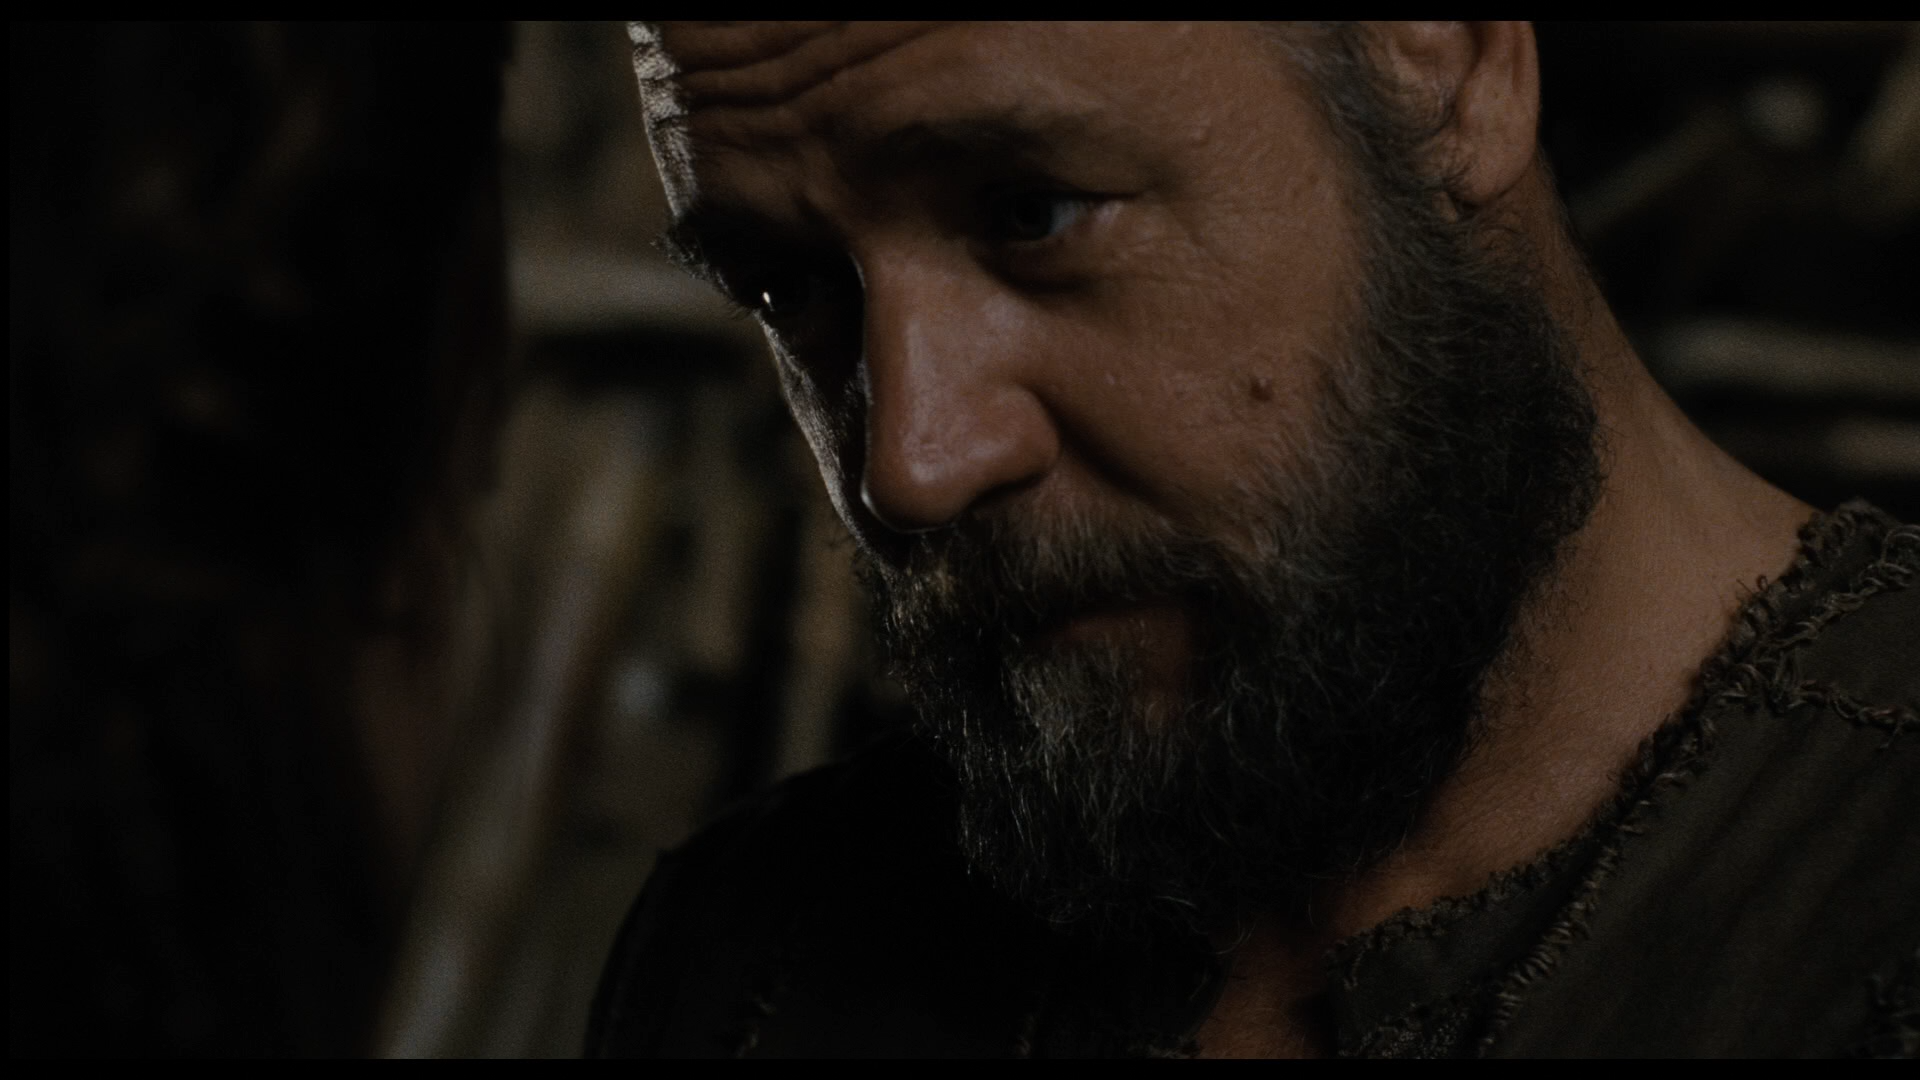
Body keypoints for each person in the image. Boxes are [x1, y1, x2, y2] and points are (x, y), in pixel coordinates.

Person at [588, 22, 1918, 1058]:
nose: (912, 465)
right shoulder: (742, 963)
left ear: (1445, 65)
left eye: (1029, 212)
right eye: (791, 286)